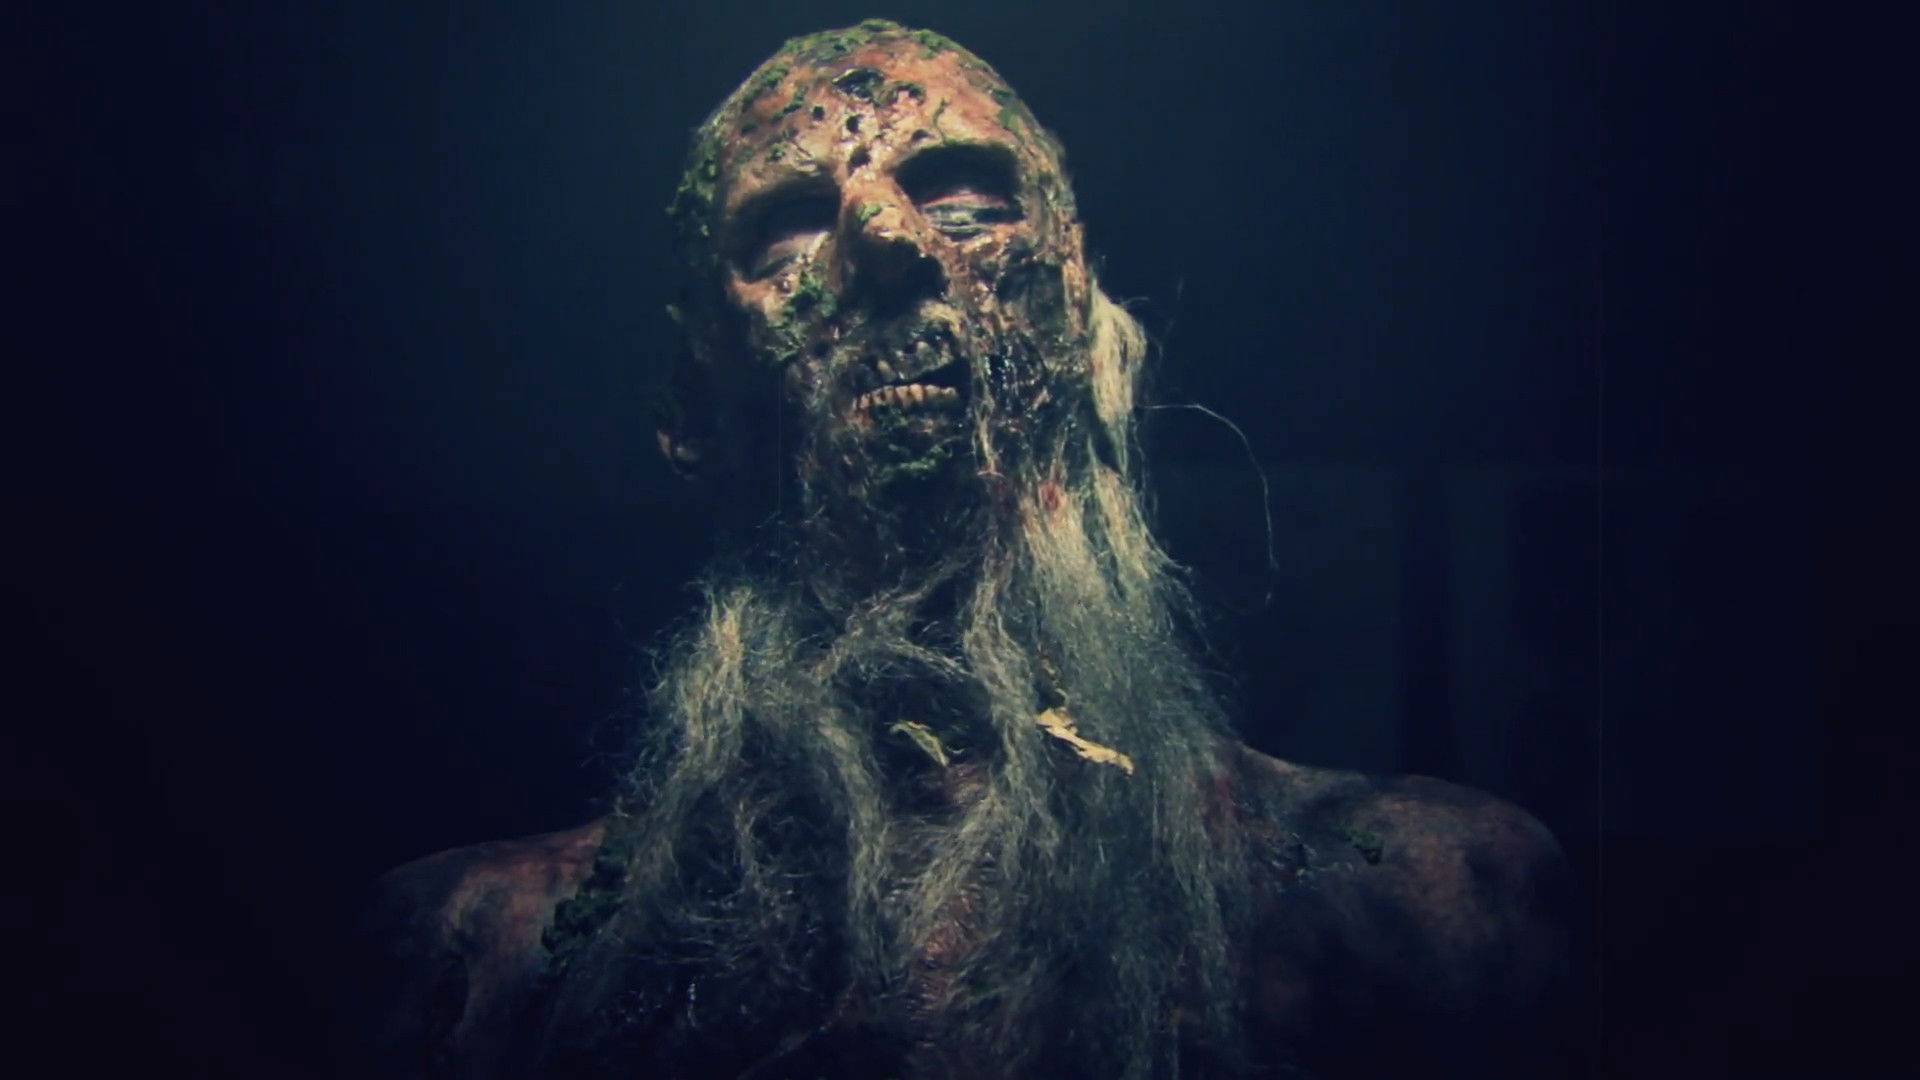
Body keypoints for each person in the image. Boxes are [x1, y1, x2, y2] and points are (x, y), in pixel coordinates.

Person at [347, 20, 1572, 1080]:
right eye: (785, 233)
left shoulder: (1424, 907)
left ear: (1088, 313)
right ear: (688, 410)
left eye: (970, 204)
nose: (888, 239)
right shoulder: (484, 959)